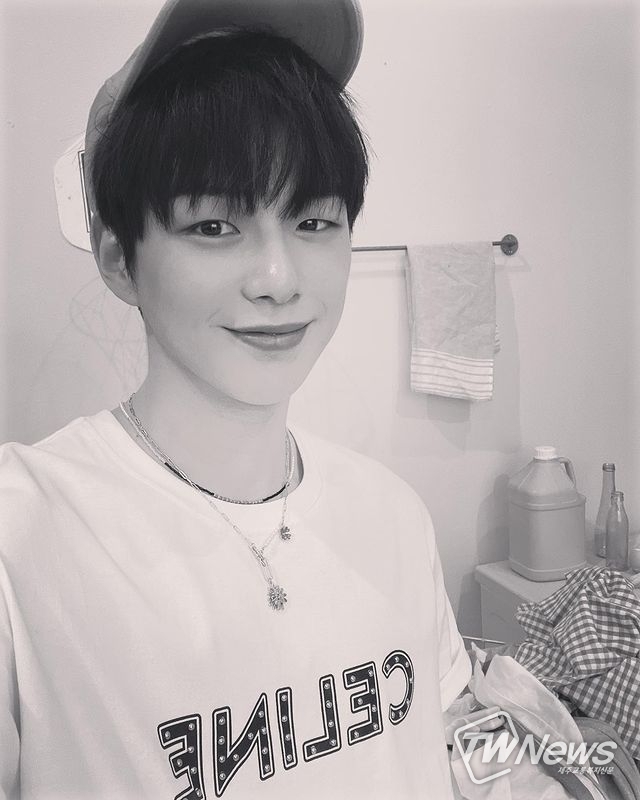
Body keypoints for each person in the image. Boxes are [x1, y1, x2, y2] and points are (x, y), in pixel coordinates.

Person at [0, 1, 472, 797]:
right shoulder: (24, 536)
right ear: (118, 257)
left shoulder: (393, 513)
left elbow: (447, 741)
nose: (279, 279)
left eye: (314, 220)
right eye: (215, 226)